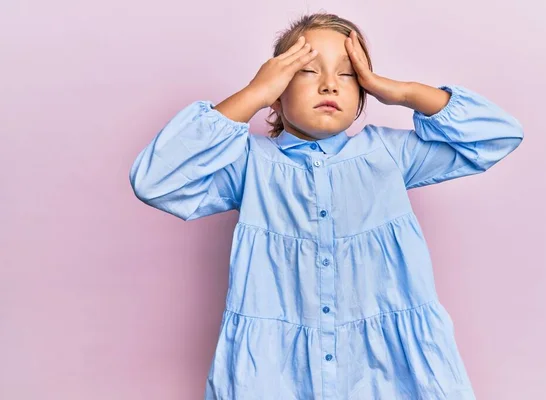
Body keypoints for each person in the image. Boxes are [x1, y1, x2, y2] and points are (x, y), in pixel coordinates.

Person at [129, 12, 523, 400]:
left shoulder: (388, 154)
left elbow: (498, 136)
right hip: (275, 374)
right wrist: (252, 94)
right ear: (277, 95)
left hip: (386, 373)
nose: (330, 85)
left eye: (349, 74)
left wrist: (401, 92)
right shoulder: (250, 164)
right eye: (307, 71)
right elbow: (155, 181)